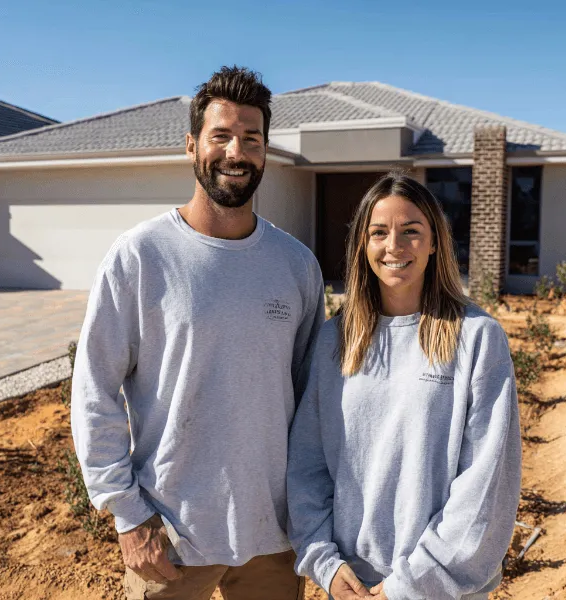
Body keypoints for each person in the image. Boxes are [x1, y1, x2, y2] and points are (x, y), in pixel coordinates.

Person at [71, 66, 324, 600]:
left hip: (272, 538)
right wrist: (127, 516)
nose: (236, 151)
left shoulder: (295, 265)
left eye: (251, 139)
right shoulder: (140, 257)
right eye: (221, 135)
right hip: (169, 539)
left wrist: (312, 515)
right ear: (191, 145)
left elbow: (311, 403)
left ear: (265, 151)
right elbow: (94, 388)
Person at [287, 172, 521, 600]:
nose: (394, 245)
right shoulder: (333, 341)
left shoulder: (476, 337)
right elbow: (307, 465)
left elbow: (486, 482)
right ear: (363, 244)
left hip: (441, 588)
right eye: (379, 232)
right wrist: (324, 561)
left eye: (411, 231)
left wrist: (410, 585)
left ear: (435, 243)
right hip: (353, 585)